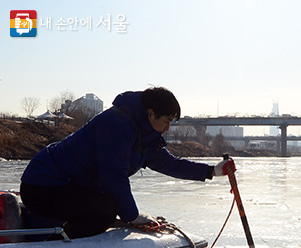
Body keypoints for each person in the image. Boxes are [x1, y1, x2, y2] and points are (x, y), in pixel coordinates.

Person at [19, 86, 234, 238]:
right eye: (167, 121)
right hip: (43, 186)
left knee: (107, 207)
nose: (168, 127)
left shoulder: (145, 135)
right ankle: (58, 244)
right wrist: (132, 216)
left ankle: (65, 234)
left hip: (68, 186)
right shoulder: (116, 125)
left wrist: (213, 171)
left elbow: (170, 164)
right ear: (151, 113)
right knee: (105, 209)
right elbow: (113, 177)